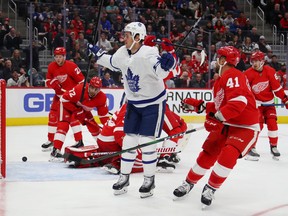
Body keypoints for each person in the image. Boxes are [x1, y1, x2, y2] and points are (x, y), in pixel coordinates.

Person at [88, 22, 175, 198]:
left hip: (153, 103)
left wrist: (168, 63)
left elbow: (160, 72)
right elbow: (112, 62)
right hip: (134, 103)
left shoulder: (149, 53)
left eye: (127, 35)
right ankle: (124, 177)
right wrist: (97, 53)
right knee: (129, 141)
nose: (123, 38)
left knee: (147, 141)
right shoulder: (122, 52)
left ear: (137, 37)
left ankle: (149, 180)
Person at [173, 46, 260, 208]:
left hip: (245, 127)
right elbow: (222, 106)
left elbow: (238, 103)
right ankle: (189, 182)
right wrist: (200, 106)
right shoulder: (220, 81)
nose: (214, 61)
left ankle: (211, 188)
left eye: (218, 58)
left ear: (223, 61)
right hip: (227, 123)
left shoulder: (233, 75)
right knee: (208, 153)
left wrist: (218, 118)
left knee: (228, 154)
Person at [51, 76, 109, 161]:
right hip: (67, 105)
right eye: (92, 88)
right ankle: (56, 150)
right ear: (89, 86)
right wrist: (76, 111)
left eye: (96, 89)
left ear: (100, 89)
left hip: (81, 108)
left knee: (93, 125)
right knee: (64, 125)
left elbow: (103, 116)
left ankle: (103, 148)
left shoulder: (102, 98)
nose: (93, 91)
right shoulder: (80, 89)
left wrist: (109, 127)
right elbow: (64, 99)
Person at [244, 51, 288, 160]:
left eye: (257, 61)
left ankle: (273, 146)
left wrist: (285, 99)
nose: (254, 63)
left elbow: (277, 88)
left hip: (269, 104)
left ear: (262, 61)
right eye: (253, 61)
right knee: (257, 125)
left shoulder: (270, 71)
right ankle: (251, 146)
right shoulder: (248, 74)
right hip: (256, 105)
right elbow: (245, 91)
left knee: (272, 123)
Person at [43, 47, 85, 152]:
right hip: (59, 96)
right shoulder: (51, 66)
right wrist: (52, 83)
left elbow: (82, 82)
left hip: (71, 97)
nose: (58, 59)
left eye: (60, 57)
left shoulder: (72, 66)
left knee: (72, 118)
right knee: (52, 115)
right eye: (56, 57)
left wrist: (76, 94)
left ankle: (79, 140)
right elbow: (47, 81)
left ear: (64, 56)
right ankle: (51, 140)